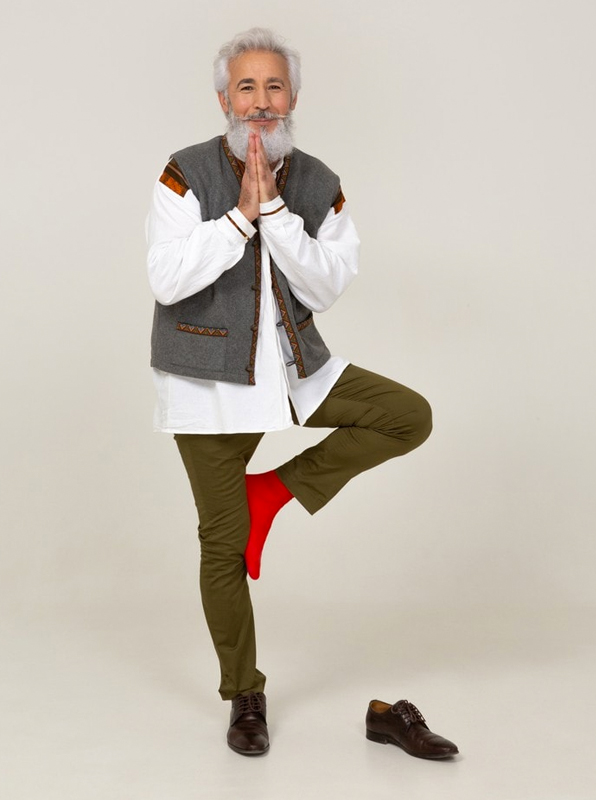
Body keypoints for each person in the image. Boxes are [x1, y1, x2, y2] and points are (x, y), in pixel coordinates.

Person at [146, 27, 453, 758]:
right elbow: (167, 279)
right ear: (224, 99)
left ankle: (273, 492)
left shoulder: (319, 183)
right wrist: (240, 217)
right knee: (222, 546)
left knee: (406, 416)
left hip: (292, 370)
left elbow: (324, 286)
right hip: (207, 383)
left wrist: (278, 215)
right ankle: (244, 695)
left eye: (274, 87)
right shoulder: (183, 173)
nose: (260, 102)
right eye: (246, 87)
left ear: (293, 99)